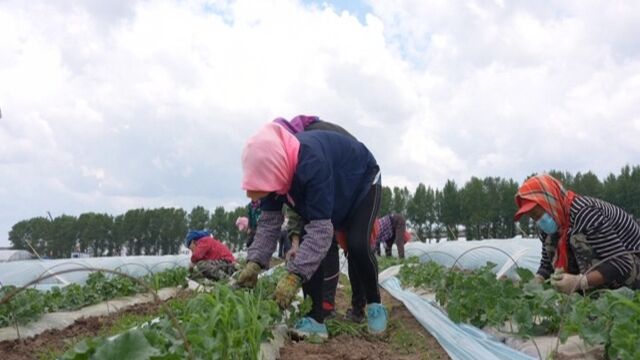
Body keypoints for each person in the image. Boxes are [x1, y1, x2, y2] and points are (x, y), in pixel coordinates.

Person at [236, 120, 386, 338]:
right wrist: (254, 262)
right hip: (332, 197)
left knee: (357, 245)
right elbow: (269, 224)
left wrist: (294, 275)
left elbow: (321, 232)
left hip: (361, 184)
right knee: (311, 246)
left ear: (274, 170)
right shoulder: (274, 174)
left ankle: (374, 305)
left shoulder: (311, 162)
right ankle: (315, 321)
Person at [514, 174, 640, 294]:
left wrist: (580, 282)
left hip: (631, 269)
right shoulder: (551, 225)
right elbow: (547, 265)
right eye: (533, 218)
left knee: (577, 239)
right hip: (611, 269)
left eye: (538, 214)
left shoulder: (585, 213)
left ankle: (600, 298)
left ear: (549, 201)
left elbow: (622, 262)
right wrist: (537, 281)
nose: (539, 221)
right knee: (556, 242)